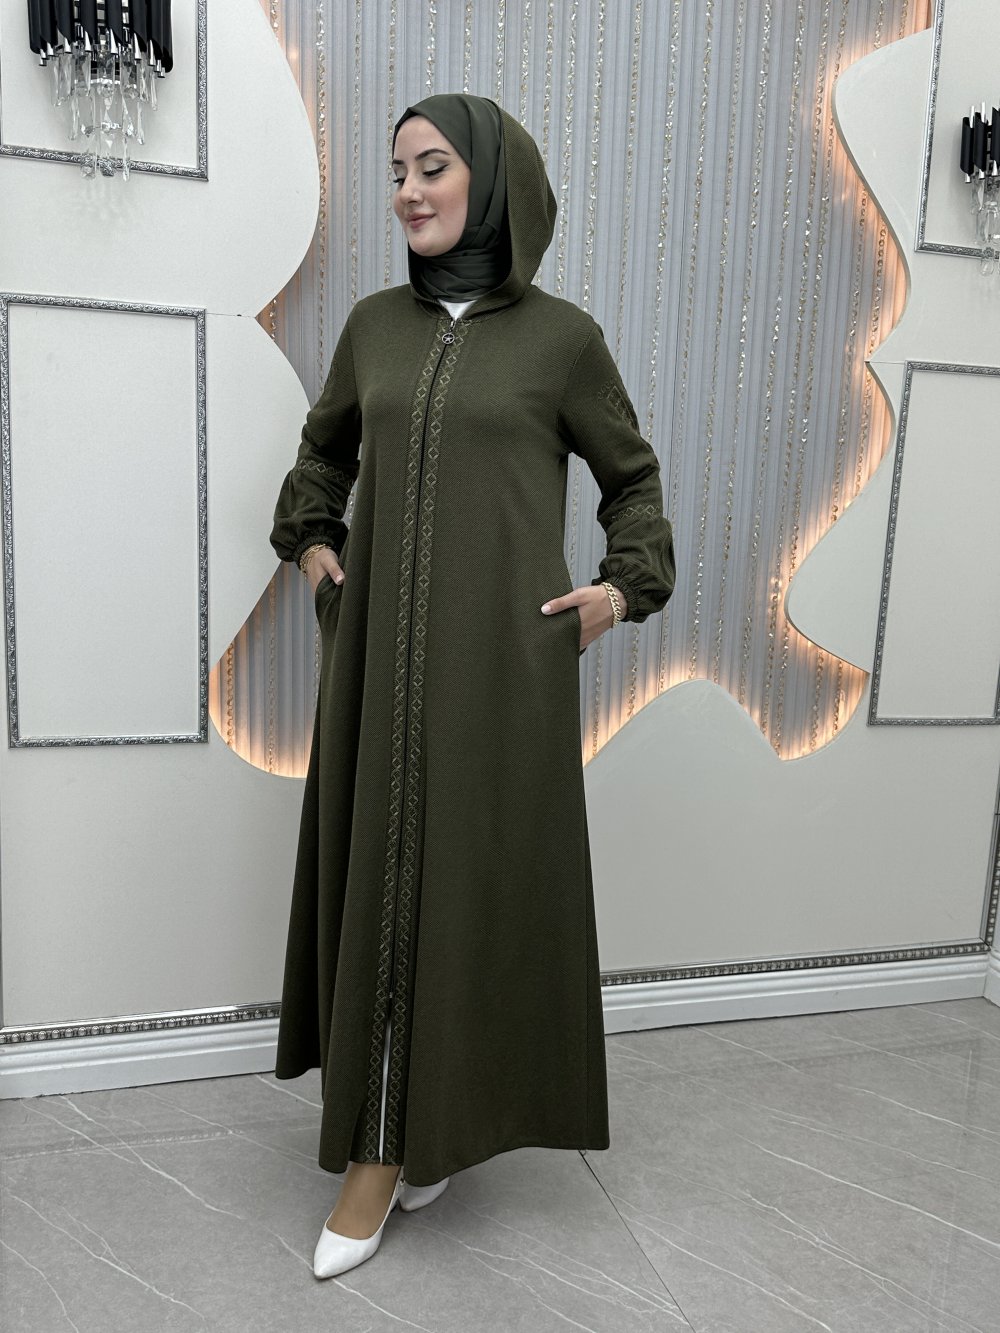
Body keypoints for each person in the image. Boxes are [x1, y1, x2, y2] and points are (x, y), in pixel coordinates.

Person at [268, 92, 675, 1280]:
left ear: (489, 180)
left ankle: (416, 1131)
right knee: (386, 878)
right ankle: (383, 1140)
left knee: (465, 891)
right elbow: (322, 454)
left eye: (431, 166)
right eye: (397, 171)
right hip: (375, 664)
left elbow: (633, 483)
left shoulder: (562, 340)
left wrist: (618, 591)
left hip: (502, 669)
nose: (407, 191)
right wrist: (316, 546)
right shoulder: (374, 328)